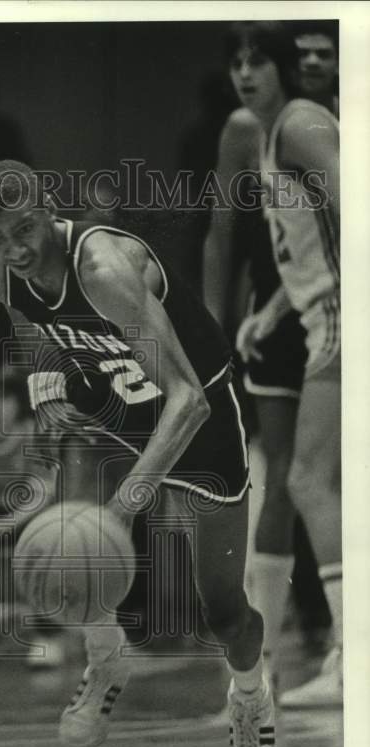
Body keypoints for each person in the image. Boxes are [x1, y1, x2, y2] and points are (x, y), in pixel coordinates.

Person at [0, 160, 277, 747]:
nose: (14, 250)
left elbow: (188, 401)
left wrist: (123, 511)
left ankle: (250, 698)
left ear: (48, 212)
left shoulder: (105, 271)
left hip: (194, 413)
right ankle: (104, 653)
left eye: (25, 230)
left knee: (224, 612)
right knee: (70, 526)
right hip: (108, 399)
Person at [202, 21, 339, 699]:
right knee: (294, 479)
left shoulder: (301, 126)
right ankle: (277, 663)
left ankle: (346, 655)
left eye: (259, 61)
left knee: (310, 481)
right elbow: (275, 240)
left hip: (337, 313)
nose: (245, 72)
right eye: (237, 62)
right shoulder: (258, 131)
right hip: (302, 313)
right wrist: (259, 313)